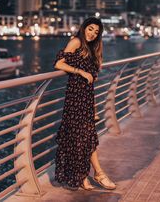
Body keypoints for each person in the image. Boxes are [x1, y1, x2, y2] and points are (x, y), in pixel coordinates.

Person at [54, 17, 116, 191]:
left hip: (86, 99)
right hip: (74, 98)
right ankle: (98, 173)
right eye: (90, 29)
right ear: (84, 27)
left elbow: (91, 83)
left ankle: (83, 176)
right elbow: (58, 64)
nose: (92, 34)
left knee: (84, 138)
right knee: (85, 137)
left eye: (96, 32)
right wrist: (80, 71)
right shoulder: (76, 42)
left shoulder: (91, 49)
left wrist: (94, 108)